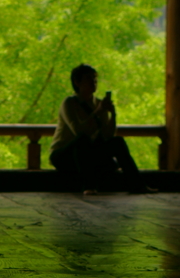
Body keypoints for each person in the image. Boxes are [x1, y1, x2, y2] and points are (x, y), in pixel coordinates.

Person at [49, 64, 156, 195]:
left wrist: (113, 115)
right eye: (89, 78)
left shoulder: (98, 103)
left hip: (86, 155)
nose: (93, 82)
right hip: (64, 155)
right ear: (77, 82)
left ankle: (137, 185)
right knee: (83, 140)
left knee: (118, 142)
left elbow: (107, 135)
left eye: (95, 79)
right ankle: (88, 186)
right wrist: (98, 112)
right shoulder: (70, 103)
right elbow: (78, 132)